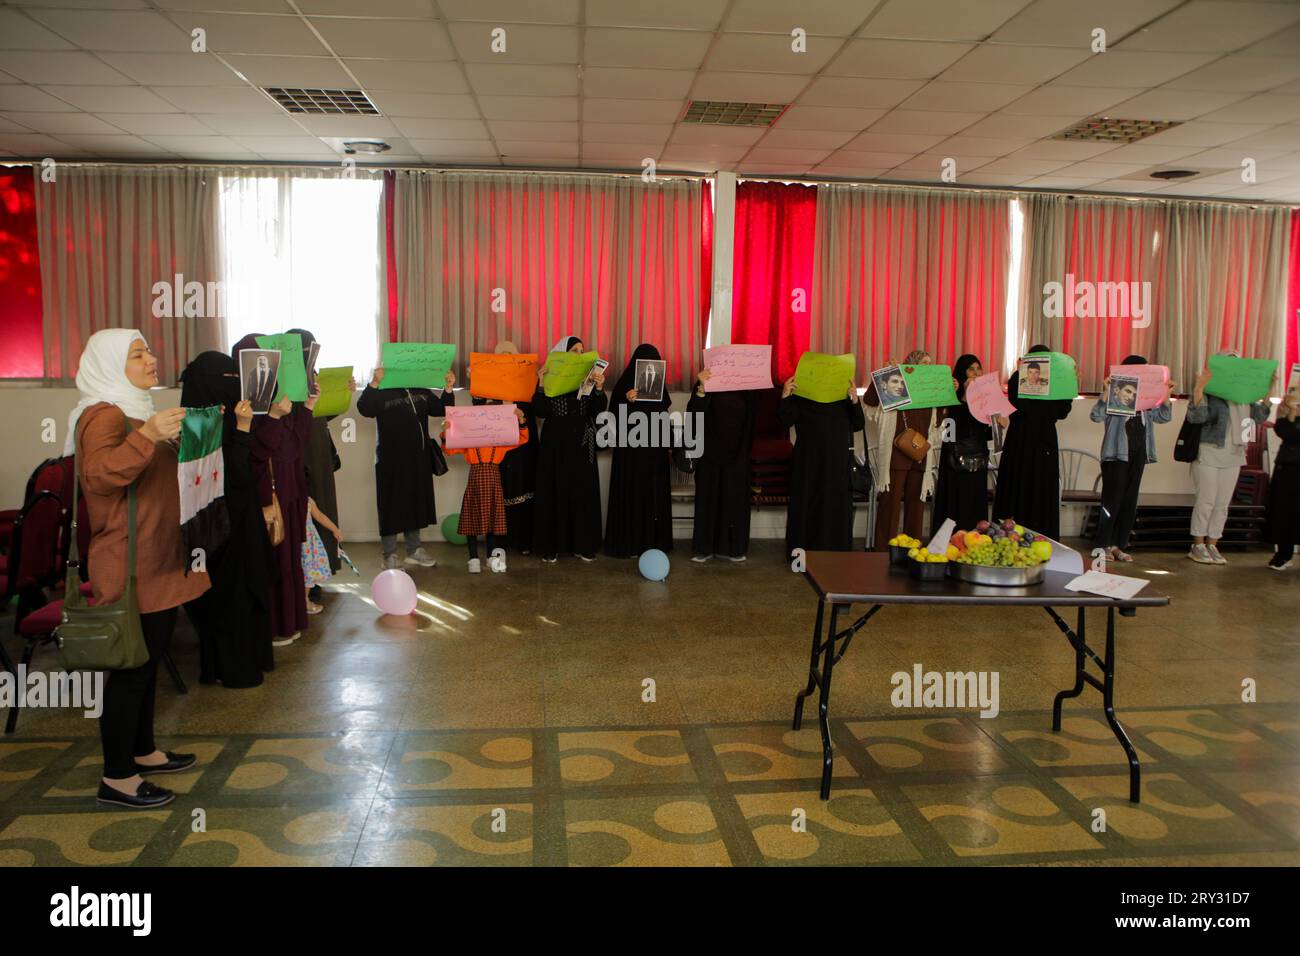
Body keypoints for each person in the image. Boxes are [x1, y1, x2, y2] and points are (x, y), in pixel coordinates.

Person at [68, 329, 209, 809]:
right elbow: (99, 476)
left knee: (147, 663)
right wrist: (148, 436)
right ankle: (117, 777)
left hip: (156, 557)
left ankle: (144, 751)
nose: (151, 358)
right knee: (130, 669)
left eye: (148, 349)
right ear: (110, 364)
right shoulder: (103, 414)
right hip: (129, 562)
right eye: (137, 353)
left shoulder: (135, 408)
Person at [179, 351, 274, 689]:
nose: (232, 387)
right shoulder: (197, 425)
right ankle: (232, 668)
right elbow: (232, 476)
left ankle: (245, 659)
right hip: (216, 526)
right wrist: (243, 431)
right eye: (226, 380)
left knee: (249, 587)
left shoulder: (224, 416)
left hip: (240, 519)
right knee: (225, 597)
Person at [233, 334, 313, 646]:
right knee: (275, 560)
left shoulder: (282, 397)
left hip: (289, 490)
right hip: (269, 494)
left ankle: (290, 620)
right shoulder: (242, 402)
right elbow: (255, 453)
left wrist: (305, 407)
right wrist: (274, 418)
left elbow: (295, 445)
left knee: (290, 558)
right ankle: (274, 624)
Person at [356, 364, 454, 570]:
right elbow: (365, 408)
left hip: (418, 458)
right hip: (390, 460)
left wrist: (448, 388)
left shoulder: (420, 390)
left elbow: (440, 409)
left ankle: (414, 551)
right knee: (391, 504)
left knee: (415, 501)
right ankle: (389, 555)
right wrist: (374, 383)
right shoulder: (382, 390)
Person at [1185, 352, 1272, 565]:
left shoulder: (1245, 394)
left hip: (1235, 452)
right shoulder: (1211, 390)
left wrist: (1266, 390)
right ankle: (1197, 544)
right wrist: (1199, 387)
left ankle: (1213, 544)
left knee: (1222, 503)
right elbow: (1196, 417)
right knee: (1205, 500)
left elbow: (1259, 417)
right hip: (1209, 449)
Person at [1089, 356, 1175, 563]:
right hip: (1116, 455)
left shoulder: (1147, 402)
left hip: (1138, 454)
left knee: (1129, 501)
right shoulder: (1117, 396)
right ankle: (1102, 545)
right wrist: (1106, 392)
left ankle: (1119, 545)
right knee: (1112, 500)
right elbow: (1096, 416)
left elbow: (1164, 417)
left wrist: (1166, 395)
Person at [532, 336, 607, 562]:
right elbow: (541, 411)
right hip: (555, 443)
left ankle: (582, 545)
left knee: (582, 491)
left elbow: (597, 410)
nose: (578, 354)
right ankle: (551, 547)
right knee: (554, 490)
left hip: (583, 442)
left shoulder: (588, 378)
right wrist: (542, 384)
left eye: (581, 350)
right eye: (574, 350)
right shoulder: (550, 376)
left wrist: (599, 388)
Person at [779, 363, 865, 553]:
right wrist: (786, 395)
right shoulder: (802, 398)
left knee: (834, 504)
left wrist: (854, 401)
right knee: (806, 503)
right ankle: (802, 553)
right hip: (807, 460)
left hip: (837, 461)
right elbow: (785, 421)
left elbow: (859, 424)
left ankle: (834, 553)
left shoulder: (843, 399)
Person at [288, 329, 348, 602]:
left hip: (319, 451)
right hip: (301, 453)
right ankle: (305, 576)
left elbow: (321, 412)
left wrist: (342, 397)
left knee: (323, 506)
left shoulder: (313, 376)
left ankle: (320, 571)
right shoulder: (286, 377)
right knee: (307, 511)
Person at [441, 394, 529, 573]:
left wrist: (521, 420)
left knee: (492, 520)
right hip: (476, 479)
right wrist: (446, 432)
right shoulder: (470, 439)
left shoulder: (501, 438)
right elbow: (449, 449)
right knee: (472, 519)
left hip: (494, 479)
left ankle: (490, 557)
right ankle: (473, 559)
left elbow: (522, 438)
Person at [993, 344, 1073, 540]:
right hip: (1019, 438)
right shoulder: (1016, 379)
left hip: (1041, 439)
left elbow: (1062, 411)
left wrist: (1068, 382)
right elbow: (1015, 402)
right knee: (1016, 482)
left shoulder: (1057, 383)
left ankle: (1041, 536)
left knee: (1041, 485)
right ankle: (1010, 534)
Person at [866, 349, 942, 550]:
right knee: (889, 505)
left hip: (919, 455)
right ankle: (883, 550)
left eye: (930, 364)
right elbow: (870, 402)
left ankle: (912, 551)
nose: (928, 367)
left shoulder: (930, 390)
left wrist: (946, 392)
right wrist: (886, 373)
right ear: (912, 366)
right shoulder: (897, 384)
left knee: (916, 507)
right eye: (923, 363)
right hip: (896, 455)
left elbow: (937, 423)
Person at [605, 344, 674, 558]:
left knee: (653, 496)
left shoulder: (659, 389)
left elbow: (663, 414)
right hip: (630, 454)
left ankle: (652, 543)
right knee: (631, 495)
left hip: (654, 454)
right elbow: (611, 418)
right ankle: (629, 543)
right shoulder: (623, 387)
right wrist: (626, 400)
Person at [687, 367, 756, 562]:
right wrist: (701, 387)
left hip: (738, 454)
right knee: (708, 500)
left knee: (734, 500)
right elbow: (693, 414)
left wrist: (744, 451)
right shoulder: (706, 383)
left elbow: (751, 421)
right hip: (709, 453)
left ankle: (734, 548)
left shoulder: (747, 389)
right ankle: (704, 548)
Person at [931, 354, 1000, 533]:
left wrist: (998, 420)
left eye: (979, 368)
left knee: (974, 499)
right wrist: (964, 396)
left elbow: (989, 434)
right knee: (956, 500)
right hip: (954, 459)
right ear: (962, 373)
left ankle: (975, 537)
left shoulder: (986, 397)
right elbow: (949, 430)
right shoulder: (951, 394)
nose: (976, 373)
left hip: (977, 457)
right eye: (971, 369)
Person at [494, 341, 538, 554]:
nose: (506, 358)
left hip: (523, 443)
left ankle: (523, 540)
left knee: (523, 487)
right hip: (497, 444)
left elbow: (535, 408)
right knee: (500, 488)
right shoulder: (489, 381)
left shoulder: (527, 379)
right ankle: (500, 541)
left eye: (510, 355)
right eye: (501, 355)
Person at [1265, 387, 1299, 570]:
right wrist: (1293, 412)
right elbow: (1290, 435)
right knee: (1285, 511)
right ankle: (1284, 554)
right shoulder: (1283, 421)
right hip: (1288, 470)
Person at [303, 497, 342, 612]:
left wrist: (335, 529)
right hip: (297, 542)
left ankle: (304, 600)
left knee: (308, 571)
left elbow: (319, 516)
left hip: (308, 543)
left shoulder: (308, 500)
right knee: (303, 572)